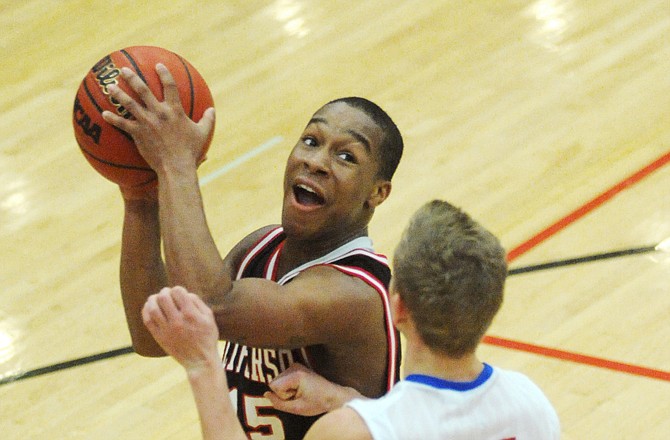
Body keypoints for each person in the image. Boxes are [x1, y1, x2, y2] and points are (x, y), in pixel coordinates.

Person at [102, 63, 403, 438]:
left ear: (378, 193)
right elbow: (153, 336)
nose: (315, 162)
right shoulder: (259, 249)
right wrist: (139, 198)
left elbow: (214, 306)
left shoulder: (354, 294)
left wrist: (176, 163)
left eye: (347, 157)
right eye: (311, 140)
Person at [143, 200, 561, 439]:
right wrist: (337, 400)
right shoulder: (529, 403)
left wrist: (202, 365)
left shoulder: (352, 432)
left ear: (397, 307)